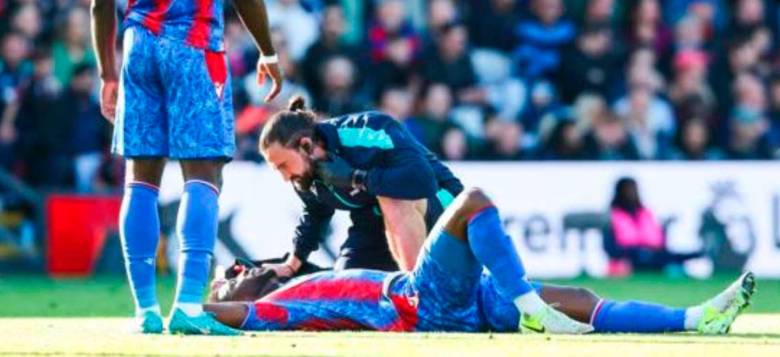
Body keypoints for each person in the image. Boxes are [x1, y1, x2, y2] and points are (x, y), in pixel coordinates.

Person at [89, 0, 283, 335]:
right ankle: (191, 308)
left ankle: (144, 312)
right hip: (194, 46)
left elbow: (100, 3)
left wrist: (108, 72)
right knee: (203, 176)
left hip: (138, 47)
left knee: (141, 179)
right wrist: (267, 51)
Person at [205, 188, 755, 335]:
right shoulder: (275, 310)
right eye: (231, 281)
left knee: (582, 302)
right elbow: (229, 314)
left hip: (447, 302)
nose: (239, 271)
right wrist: (196, 307)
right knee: (473, 203)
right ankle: (526, 306)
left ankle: (696, 318)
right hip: (420, 300)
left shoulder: (286, 286)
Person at [259, 96, 463, 275]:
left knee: (390, 197)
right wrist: (291, 265)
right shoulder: (303, 173)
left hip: (443, 205)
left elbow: (422, 180)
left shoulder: (369, 129)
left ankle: (417, 294)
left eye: (283, 166)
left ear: (306, 145)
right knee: (344, 290)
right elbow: (316, 213)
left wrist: (357, 178)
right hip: (376, 223)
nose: (284, 177)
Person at [606, 177, 704, 271]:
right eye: (628, 189)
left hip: (653, 254)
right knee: (646, 255)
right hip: (628, 257)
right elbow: (610, 248)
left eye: (633, 189)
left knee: (669, 256)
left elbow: (658, 240)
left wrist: (665, 228)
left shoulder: (645, 213)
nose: (631, 193)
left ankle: (698, 254)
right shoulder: (613, 215)